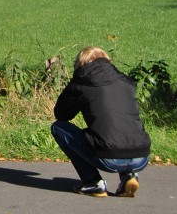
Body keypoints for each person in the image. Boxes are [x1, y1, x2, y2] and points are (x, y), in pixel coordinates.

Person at [51, 46, 151, 198]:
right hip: (141, 156)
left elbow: (61, 114)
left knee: (58, 128)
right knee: (122, 125)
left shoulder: (83, 81)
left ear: (82, 64)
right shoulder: (125, 81)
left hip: (109, 157)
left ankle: (93, 182)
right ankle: (129, 176)